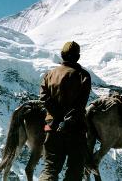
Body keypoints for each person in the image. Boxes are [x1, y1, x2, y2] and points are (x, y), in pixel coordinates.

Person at [39, 41, 91, 181]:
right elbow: (80, 104)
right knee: (75, 170)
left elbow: (43, 98)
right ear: (78, 57)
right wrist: (66, 120)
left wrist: (57, 117)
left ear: (62, 55)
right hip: (75, 128)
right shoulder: (83, 76)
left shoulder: (49, 75)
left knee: (50, 168)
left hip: (51, 126)